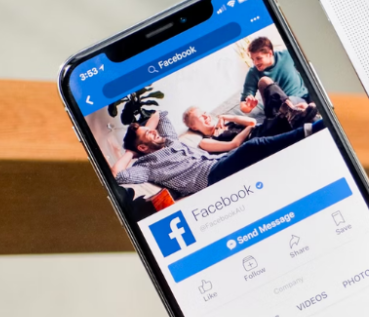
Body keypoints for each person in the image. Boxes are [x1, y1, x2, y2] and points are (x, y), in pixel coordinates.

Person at [110, 110, 324, 197]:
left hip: (219, 163)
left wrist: (144, 131)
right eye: (148, 134)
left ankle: (307, 132)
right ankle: (313, 130)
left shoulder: (170, 140)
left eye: (150, 129)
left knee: (257, 148)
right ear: (142, 148)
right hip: (208, 178)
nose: (153, 130)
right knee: (252, 146)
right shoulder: (145, 167)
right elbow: (119, 175)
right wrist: (130, 152)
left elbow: (160, 114)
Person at [185, 78, 319, 153]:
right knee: (308, 108)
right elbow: (234, 144)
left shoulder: (224, 123)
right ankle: (296, 115)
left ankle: (292, 113)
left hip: (265, 126)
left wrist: (225, 117)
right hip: (260, 137)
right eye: (201, 117)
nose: (206, 117)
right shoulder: (206, 142)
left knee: (264, 81)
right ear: (194, 127)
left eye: (205, 113)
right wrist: (249, 127)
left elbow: (250, 121)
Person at [240, 37, 309, 114]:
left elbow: (308, 71)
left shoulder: (287, 55)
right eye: (253, 59)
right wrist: (249, 106)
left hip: (300, 99)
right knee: (264, 81)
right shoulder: (253, 73)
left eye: (258, 58)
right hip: (275, 110)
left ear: (269, 54)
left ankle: (296, 111)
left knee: (304, 104)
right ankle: (289, 111)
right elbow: (243, 104)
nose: (255, 63)